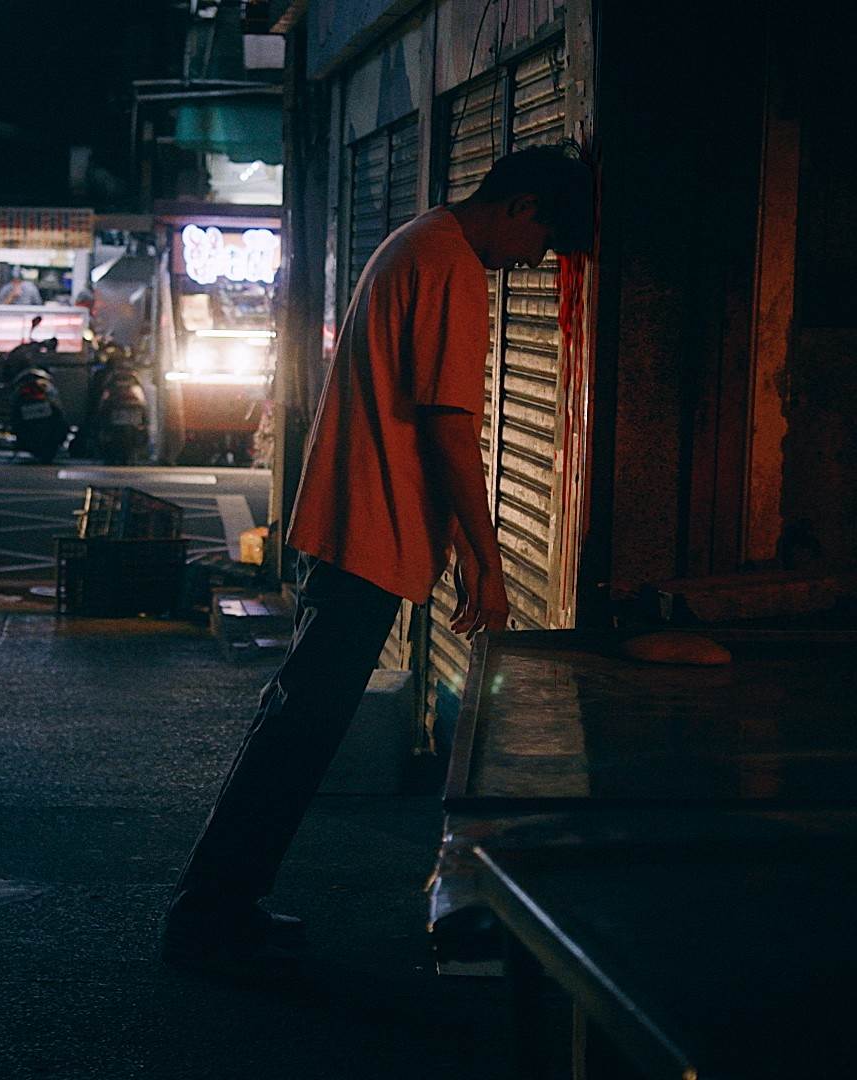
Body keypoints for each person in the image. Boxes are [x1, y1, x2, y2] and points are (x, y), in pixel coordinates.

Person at [160, 145, 595, 981]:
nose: (533, 264)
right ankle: (206, 918)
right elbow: (447, 428)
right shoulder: (451, 265)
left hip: (360, 528)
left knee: (296, 730)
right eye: (545, 241)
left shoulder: (419, 241)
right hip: (370, 534)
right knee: (294, 735)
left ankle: (221, 908)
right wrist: (490, 559)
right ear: (522, 207)